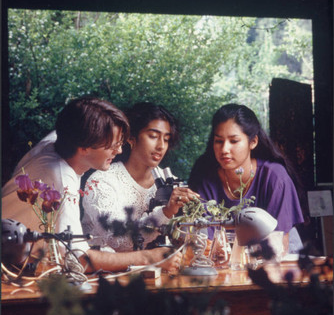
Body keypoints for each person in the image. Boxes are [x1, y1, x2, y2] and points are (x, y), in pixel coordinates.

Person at [2, 97, 181, 273]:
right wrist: (151, 258)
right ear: (84, 147)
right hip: (11, 267)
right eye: (113, 146)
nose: (119, 151)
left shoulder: (61, 138)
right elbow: (78, 259)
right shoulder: (61, 181)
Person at [81, 101, 199, 251]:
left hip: (156, 271)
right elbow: (119, 240)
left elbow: (184, 239)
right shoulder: (101, 181)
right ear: (131, 138)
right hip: (104, 271)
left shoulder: (171, 183)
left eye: (166, 139)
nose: (161, 146)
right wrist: (166, 212)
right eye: (153, 136)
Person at [188, 103, 304, 254]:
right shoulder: (205, 179)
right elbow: (204, 243)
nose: (224, 149)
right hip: (222, 264)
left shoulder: (275, 177)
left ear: (253, 142)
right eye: (219, 141)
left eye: (234, 141)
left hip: (280, 259)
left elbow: (278, 243)